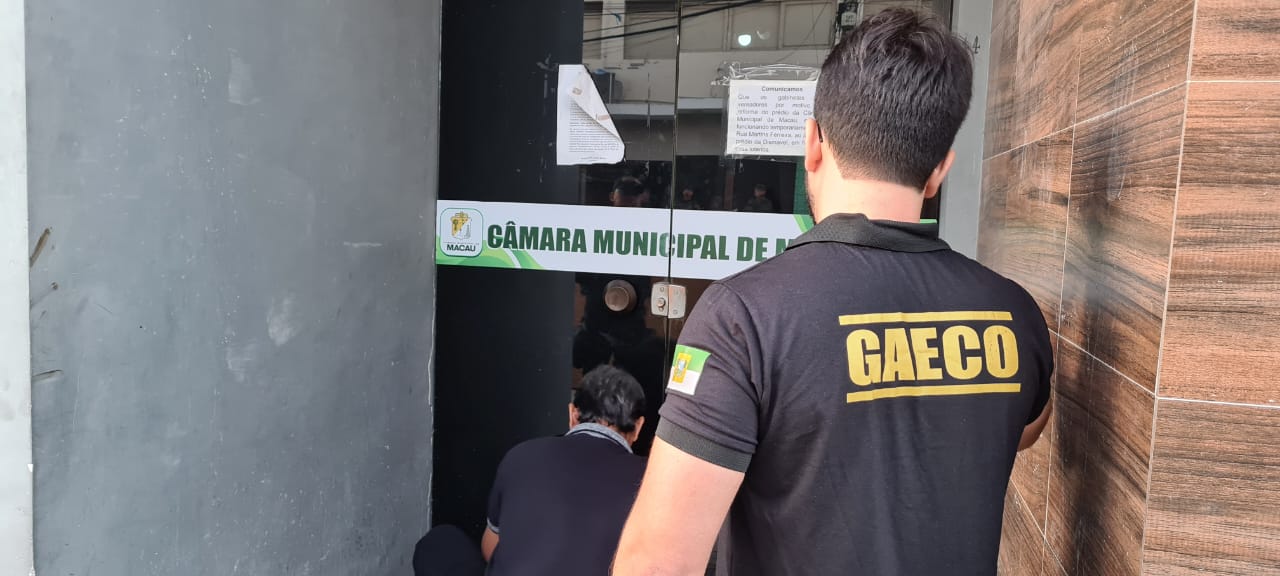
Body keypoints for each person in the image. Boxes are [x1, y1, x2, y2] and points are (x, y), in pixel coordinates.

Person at [614, 9, 1053, 576]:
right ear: (939, 170)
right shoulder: (1014, 312)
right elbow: (1021, 429)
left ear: (813, 143)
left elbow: (656, 562)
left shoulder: (743, 319)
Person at [482, 365, 648, 576]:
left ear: (572, 414)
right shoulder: (650, 481)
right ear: (638, 426)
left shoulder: (520, 455)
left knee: (446, 540)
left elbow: (490, 548)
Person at [575, 176, 666, 454]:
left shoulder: (648, 232)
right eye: (623, 200)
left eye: (632, 203)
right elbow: (581, 276)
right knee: (593, 391)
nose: (627, 208)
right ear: (613, 198)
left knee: (636, 390)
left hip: (631, 332)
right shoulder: (596, 228)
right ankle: (587, 446)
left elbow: (647, 283)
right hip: (597, 327)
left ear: (641, 202)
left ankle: (634, 446)